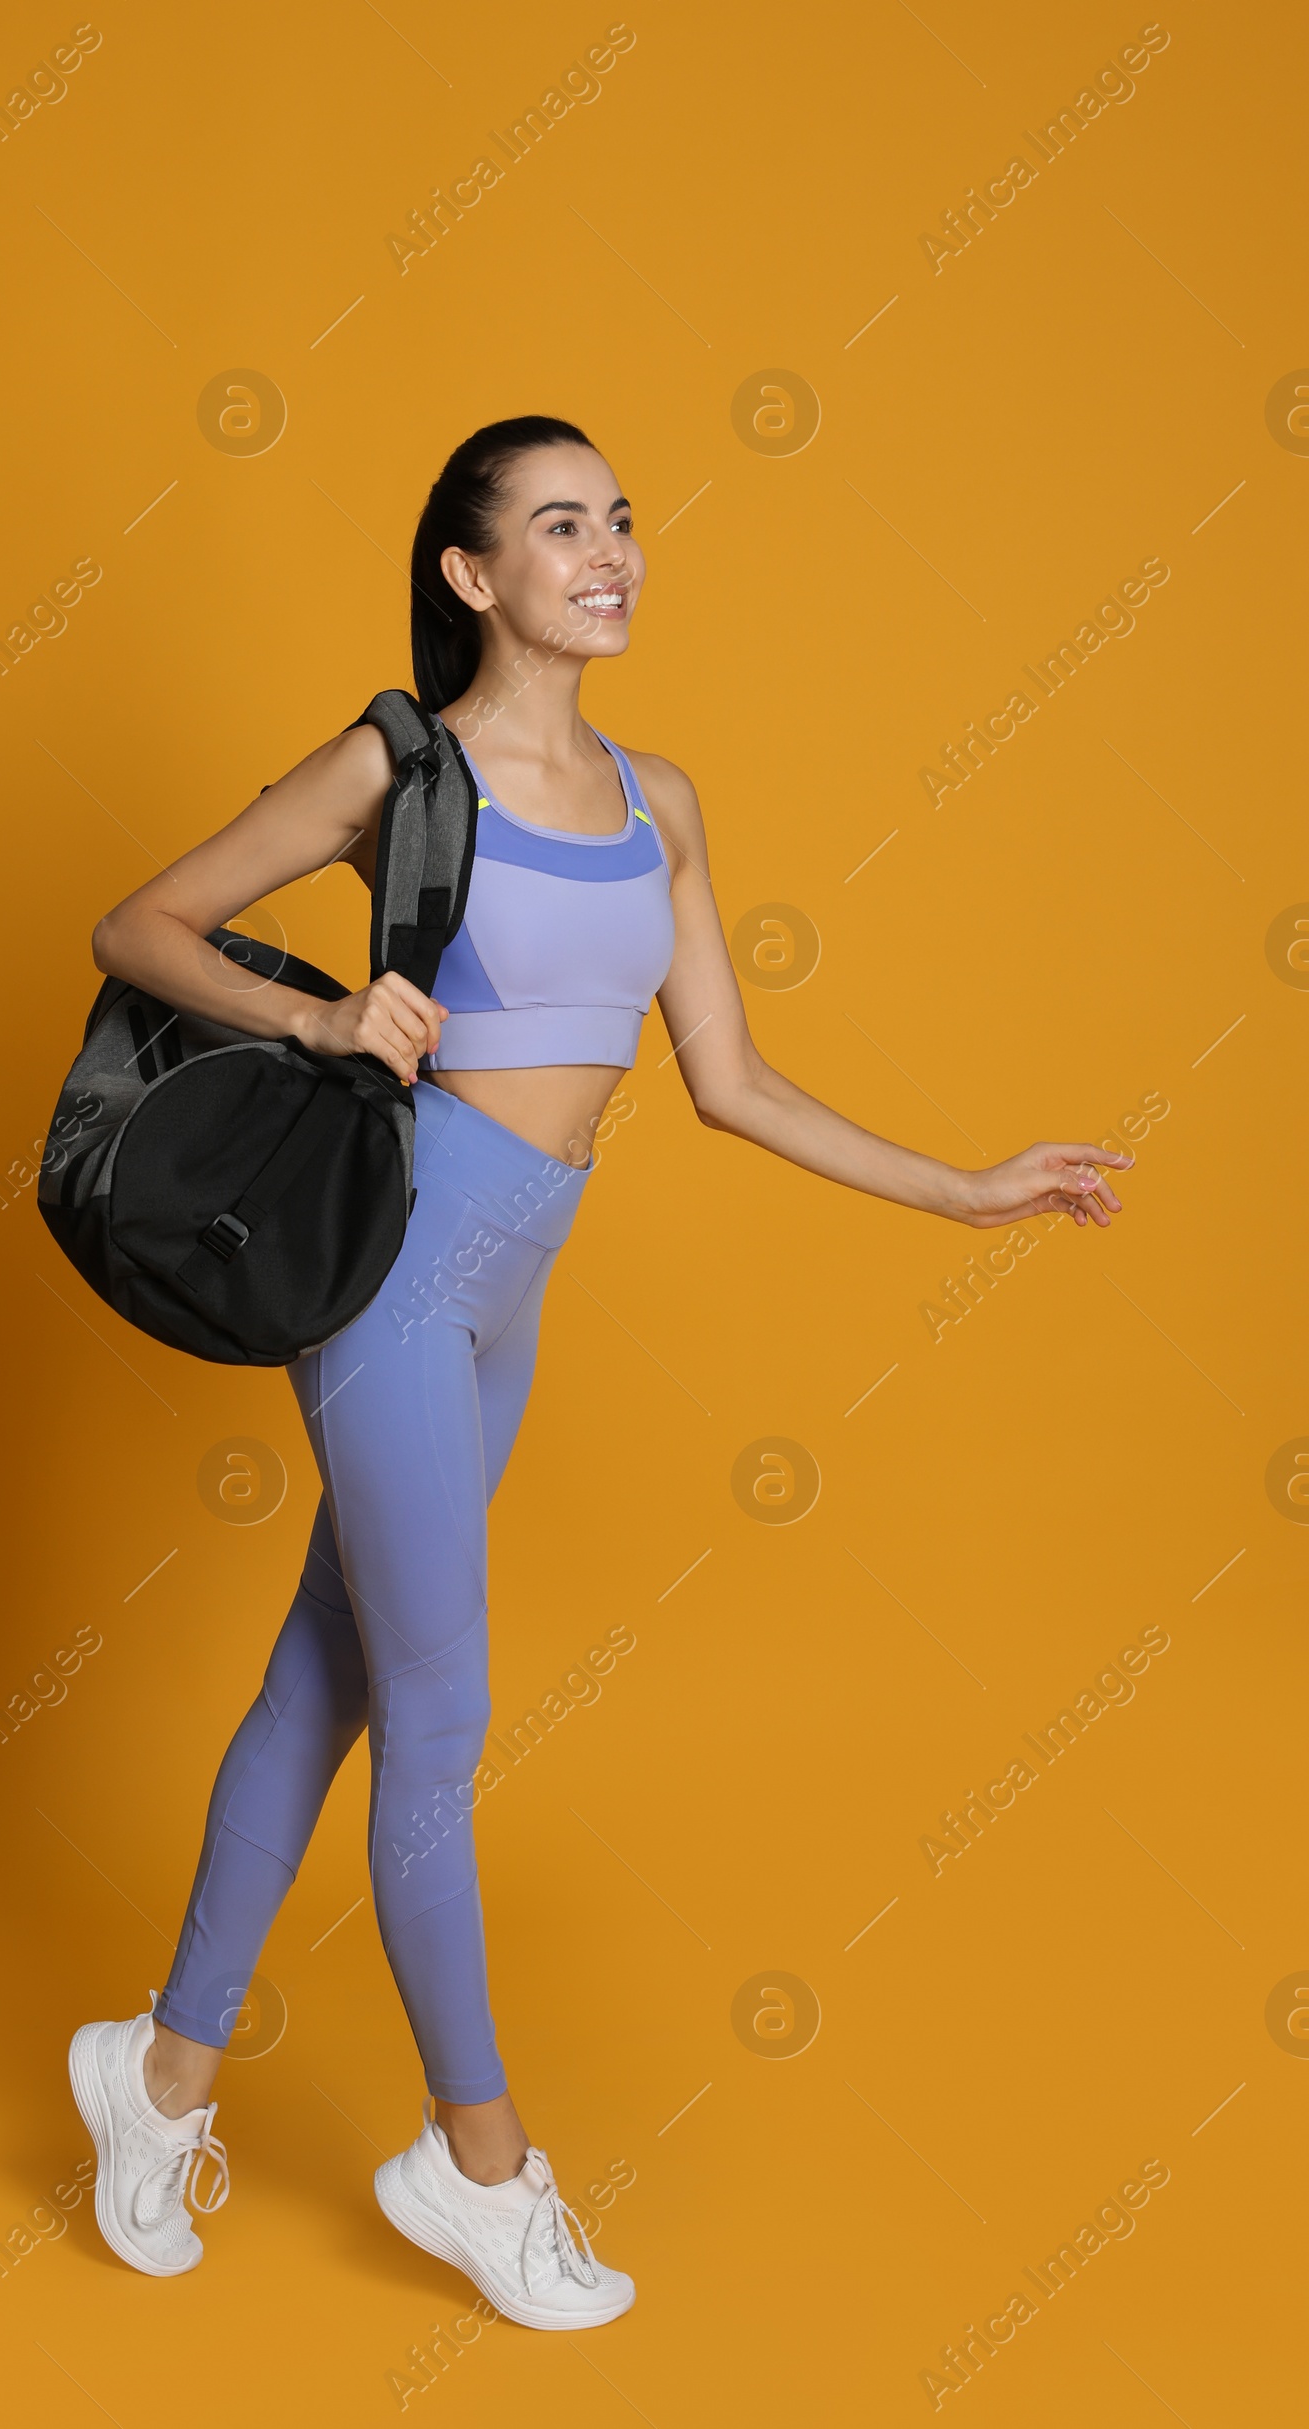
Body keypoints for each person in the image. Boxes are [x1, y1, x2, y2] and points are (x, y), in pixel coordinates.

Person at [67, 414, 1131, 2324]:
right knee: (443, 1726)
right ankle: (480, 2168)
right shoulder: (403, 767)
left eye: (621, 518)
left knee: (327, 1685)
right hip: (393, 1273)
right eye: (563, 526)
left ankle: (156, 2073)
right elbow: (136, 923)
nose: (611, 549)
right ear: (477, 576)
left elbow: (725, 1081)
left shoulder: (666, 798)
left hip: (512, 1292)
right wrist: (324, 1008)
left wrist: (965, 1188)